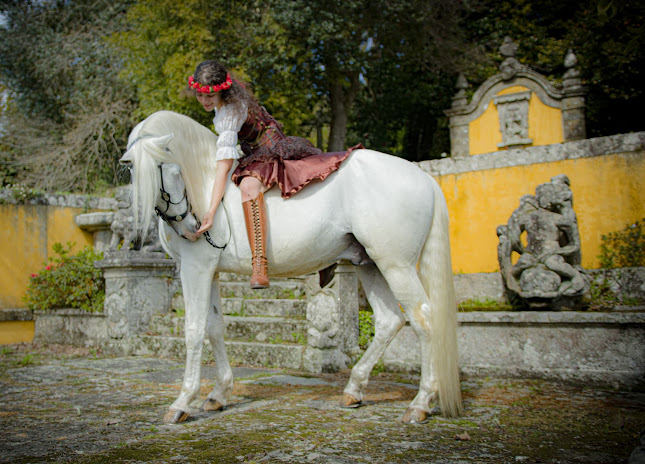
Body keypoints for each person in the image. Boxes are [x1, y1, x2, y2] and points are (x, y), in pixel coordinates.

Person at [189, 60, 360, 289]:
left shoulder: (230, 111)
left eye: (209, 95)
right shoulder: (224, 106)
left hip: (269, 149)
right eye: (200, 95)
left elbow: (224, 162)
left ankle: (259, 265)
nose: (204, 101)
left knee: (249, 186)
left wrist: (211, 209)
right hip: (255, 150)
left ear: (222, 89)